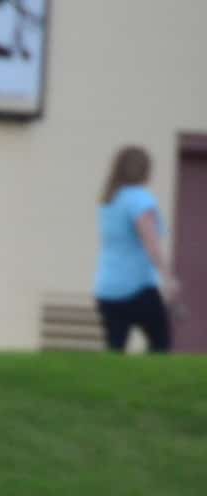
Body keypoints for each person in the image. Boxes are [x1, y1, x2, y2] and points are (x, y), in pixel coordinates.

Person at [95, 145, 179, 355]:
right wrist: (168, 278)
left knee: (115, 348)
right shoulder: (140, 200)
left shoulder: (109, 200)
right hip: (137, 287)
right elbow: (151, 243)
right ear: (145, 170)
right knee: (160, 343)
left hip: (107, 288)